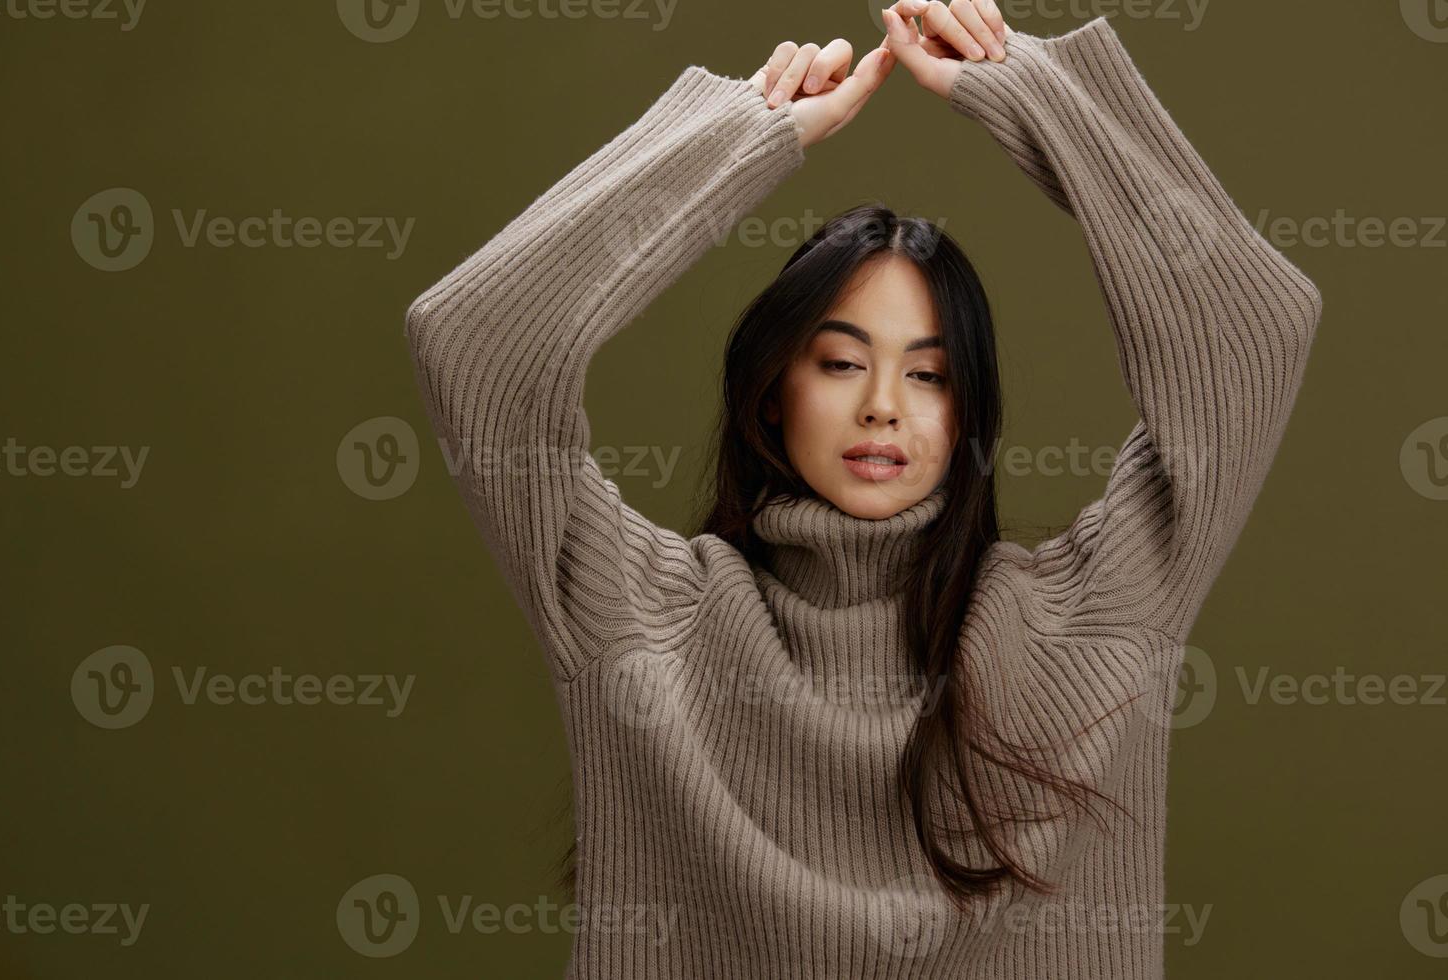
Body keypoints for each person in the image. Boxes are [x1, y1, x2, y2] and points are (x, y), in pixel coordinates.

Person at [402, 1, 1322, 975]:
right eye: (841, 363)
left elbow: (1254, 330)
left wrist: (1031, 91)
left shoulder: (1085, 620)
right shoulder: (642, 616)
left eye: (928, 374)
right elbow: (467, 336)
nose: (884, 405)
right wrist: (738, 136)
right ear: (770, 397)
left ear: (966, 415)